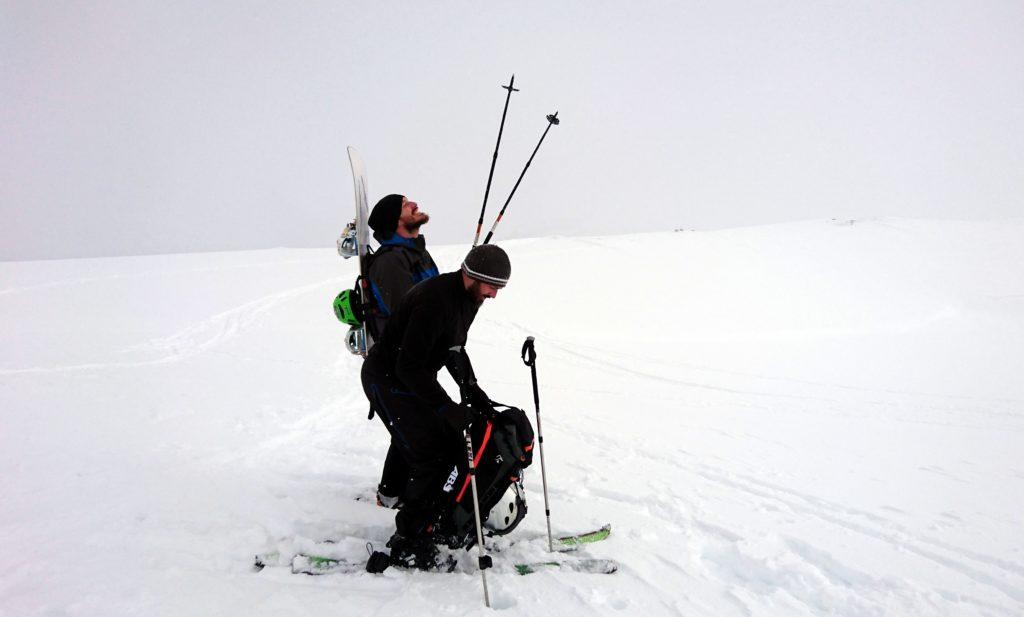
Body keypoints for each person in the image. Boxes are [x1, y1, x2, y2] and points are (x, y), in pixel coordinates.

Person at [360, 244, 512, 569]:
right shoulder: (435, 300)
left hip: (412, 378)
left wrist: (472, 390)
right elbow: (408, 366)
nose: (494, 295)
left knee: (443, 444)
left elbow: (454, 348)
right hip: (388, 379)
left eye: (498, 289)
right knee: (429, 454)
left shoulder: (471, 299)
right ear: (472, 275)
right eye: (491, 287)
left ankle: (436, 518)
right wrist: (446, 408)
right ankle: (409, 540)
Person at [364, 194, 440, 508]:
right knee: (418, 432)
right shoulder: (390, 262)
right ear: (395, 222)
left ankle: (390, 492)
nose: (415, 204)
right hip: (399, 366)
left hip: (422, 361)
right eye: (406, 204)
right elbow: (409, 315)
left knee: (409, 427)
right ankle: (402, 498)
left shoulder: (416, 255)